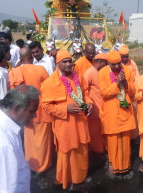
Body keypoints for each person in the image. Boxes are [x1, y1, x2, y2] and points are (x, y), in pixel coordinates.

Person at [41, 50, 93, 190]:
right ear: (57, 64)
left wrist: (89, 103)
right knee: (67, 152)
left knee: (81, 150)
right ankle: (67, 179)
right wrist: (65, 109)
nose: (68, 64)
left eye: (70, 61)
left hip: (80, 122)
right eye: (64, 61)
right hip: (64, 125)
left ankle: (80, 177)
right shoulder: (49, 83)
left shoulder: (78, 77)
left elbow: (86, 92)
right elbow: (46, 106)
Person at [8, 47, 52, 179]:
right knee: (43, 140)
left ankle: (31, 164)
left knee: (29, 139)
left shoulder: (14, 72)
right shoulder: (40, 69)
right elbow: (49, 88)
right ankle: (42, 166)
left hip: (25, 111)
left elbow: (13, 93)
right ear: (31, 57)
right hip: (42, 109)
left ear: (20, 59)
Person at [98, 50, 136, 178]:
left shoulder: (127, 70)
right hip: (111, 113)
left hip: (125, 112)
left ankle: (125, 167)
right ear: (108, 63)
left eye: (118, 63)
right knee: (113, 141)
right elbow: (104, 93)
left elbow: (132, 92)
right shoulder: (102, 73)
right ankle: (113, 167)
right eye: (113, 64)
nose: (116, 67)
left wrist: (125, 83)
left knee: (125, 141)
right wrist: (117, 83)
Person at [83, 53, 108, 154]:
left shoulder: (103, 72)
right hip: (95, 109)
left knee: (104, 130)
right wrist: (89, 103)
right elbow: (84, 91)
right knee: (95, 132)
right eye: (106, 64)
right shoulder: (89, 73)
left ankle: (103, 149)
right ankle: (96, 151)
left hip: (105, 108)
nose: (107, 66)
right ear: (101, 62)